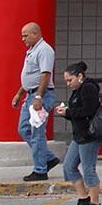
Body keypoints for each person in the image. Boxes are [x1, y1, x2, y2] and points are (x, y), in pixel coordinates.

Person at [11, 22, 59, 181]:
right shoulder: (32, 51)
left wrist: (39, 97)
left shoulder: (44, 50)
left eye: (25, 35)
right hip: (30, 95)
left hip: (41, 96)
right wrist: (19, 94)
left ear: (35, 34)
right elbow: (30, 76)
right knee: (24, 129)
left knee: (37, 132)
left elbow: (45, 75)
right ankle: (48, 158)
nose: (23, 39)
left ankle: (40, 170)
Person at [55, 61, 102, 205]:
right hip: (79, 135)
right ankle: (83, 198)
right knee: (68, 167)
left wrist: (68, 113)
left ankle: (95, 204)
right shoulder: (78, 90)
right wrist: (68, 112)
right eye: (67, 81)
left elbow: (88, 111)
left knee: (89, 170)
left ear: (80, 76)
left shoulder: (88, 88)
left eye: (70, 80)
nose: (68, 84)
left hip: (89, 135)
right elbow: (78, 112)